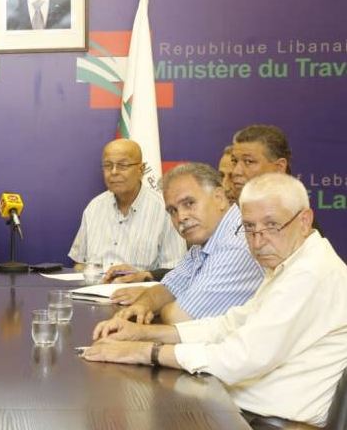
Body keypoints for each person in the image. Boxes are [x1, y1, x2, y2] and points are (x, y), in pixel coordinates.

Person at [85, 173, 347, 428]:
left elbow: (238, 359)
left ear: (304, 221)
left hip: (271, 422)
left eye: (271, 225)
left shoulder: (309, 273)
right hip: (242, 408)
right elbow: (229, 324)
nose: (258, 241)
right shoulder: (290, 261)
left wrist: (145, 351)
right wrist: (143, 333)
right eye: (249, 227)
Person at [108, 163, 263, 323]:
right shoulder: (204, 241)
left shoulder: (236, 244)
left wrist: (161, 305)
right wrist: (143, 304)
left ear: (219, 198)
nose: (181, 217)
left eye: (189, 203)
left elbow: (178, 317)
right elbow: (167, 288)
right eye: (173, 211)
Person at [69, 139, 186, 284]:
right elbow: (79, 263)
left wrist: (140, 276)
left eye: (122, 165)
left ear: (141, 170)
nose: (114, 172)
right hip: (93, 293)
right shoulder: (94, 207)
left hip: (141, 294)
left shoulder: (165, 210)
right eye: (108, 165)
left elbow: (176, 270)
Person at [230, 124, 290, 197]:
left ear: (279, 168)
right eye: (234, 161)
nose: (236, 172)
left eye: (249, 161)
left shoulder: (295, 203)